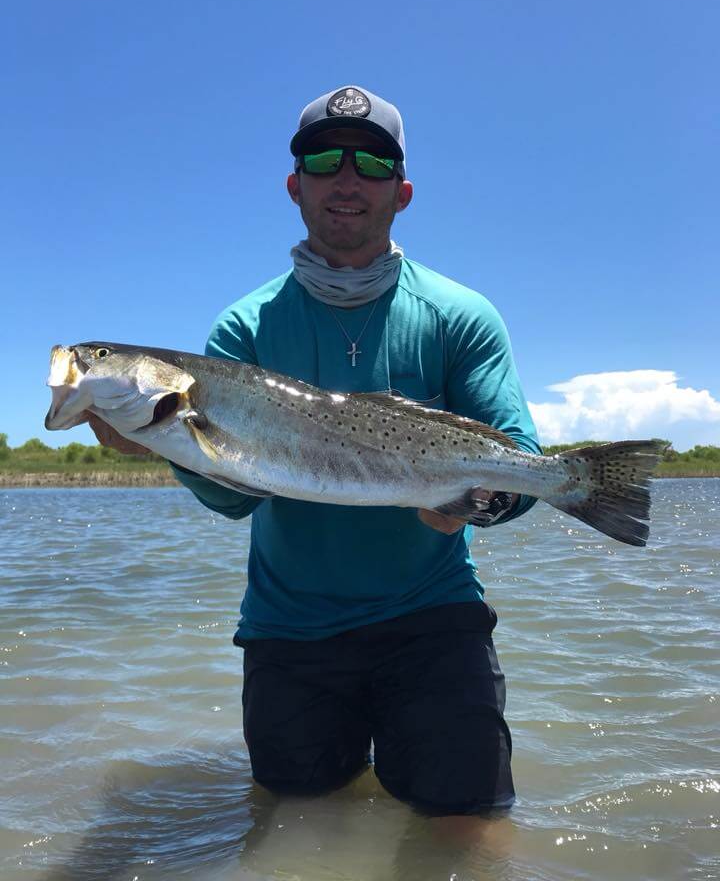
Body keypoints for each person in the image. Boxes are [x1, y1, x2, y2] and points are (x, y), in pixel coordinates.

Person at [90, 84, 541, 817]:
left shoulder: (460, 315)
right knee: (296, 821)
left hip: (434, 615)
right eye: (325, 158)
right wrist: (165, 444)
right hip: (289, 625)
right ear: (295, 185)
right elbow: (237, 496)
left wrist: (476, 505)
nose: (347, 178)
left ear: (404, 191)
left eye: (372, 163)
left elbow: (518, 457)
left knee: (466, 821)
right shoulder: (243, 328)